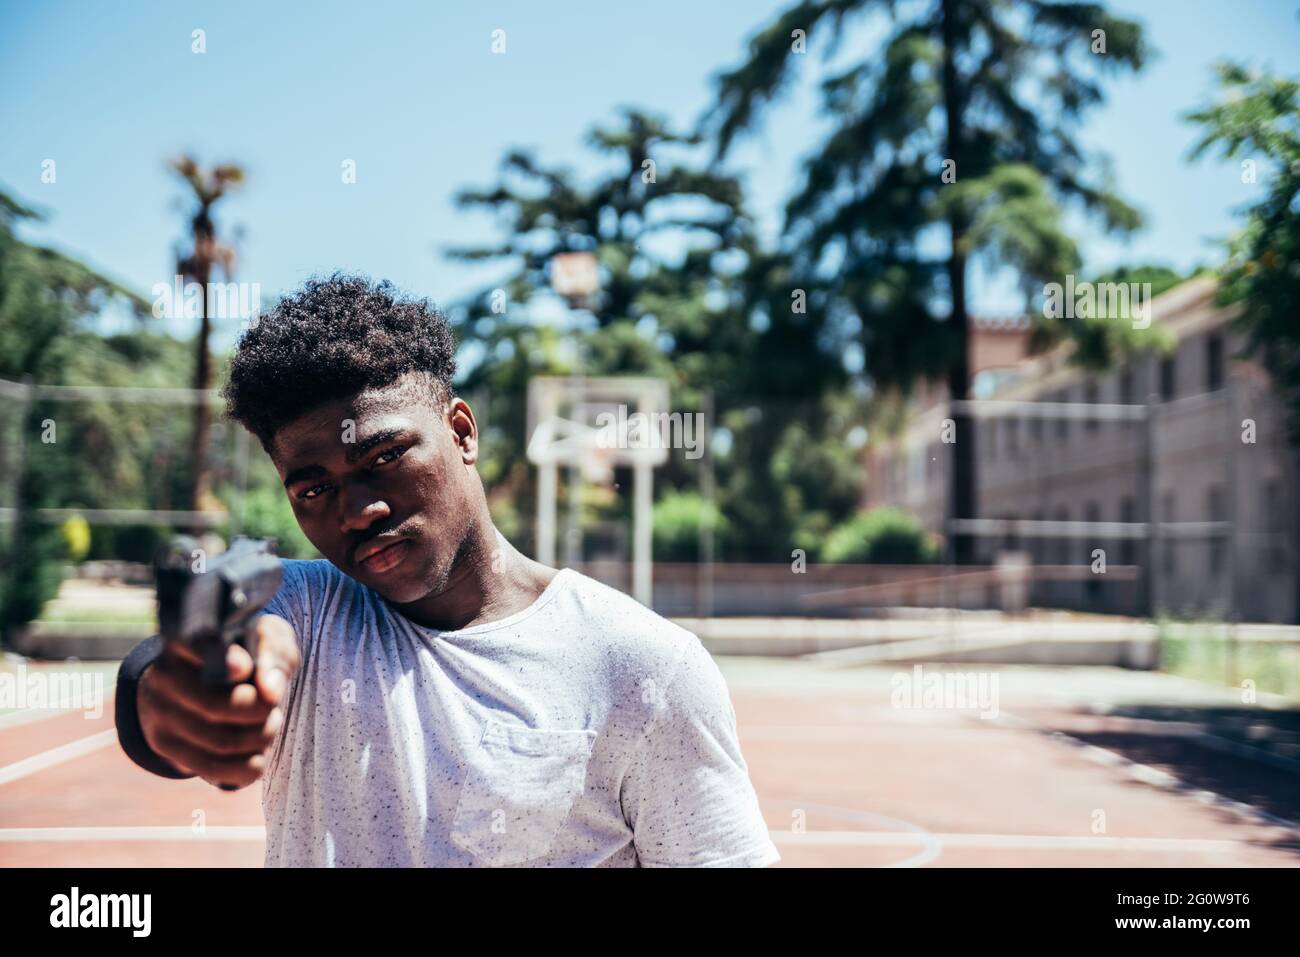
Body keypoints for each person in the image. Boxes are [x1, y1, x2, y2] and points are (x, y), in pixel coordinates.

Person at [115, 274, 779, 868]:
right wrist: (175, 697)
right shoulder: (306, 611)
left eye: (385, 456)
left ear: (461, 431)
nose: (358, 509)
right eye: (313, 488)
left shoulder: (644, 665)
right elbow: (213, 655)